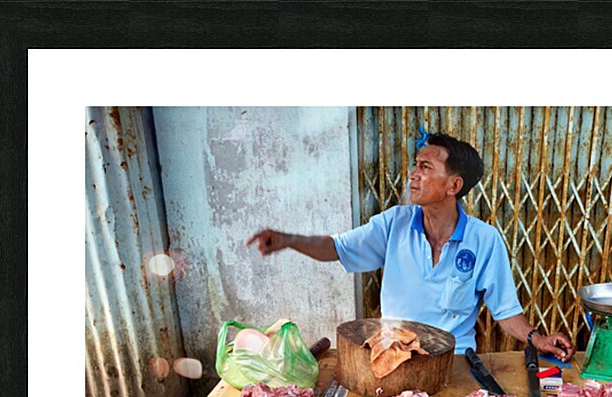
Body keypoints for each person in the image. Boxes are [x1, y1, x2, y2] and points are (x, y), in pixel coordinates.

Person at [246, 132, 575, 362]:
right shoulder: (394, 224)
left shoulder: (484, 240)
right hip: (394, 357)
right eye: (416, 165)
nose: (413, 175)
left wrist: (537, 339)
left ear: (454, 185)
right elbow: (336, 248)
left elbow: (505, 311)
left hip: (454, 361)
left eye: (425, 167)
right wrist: (289, 240)